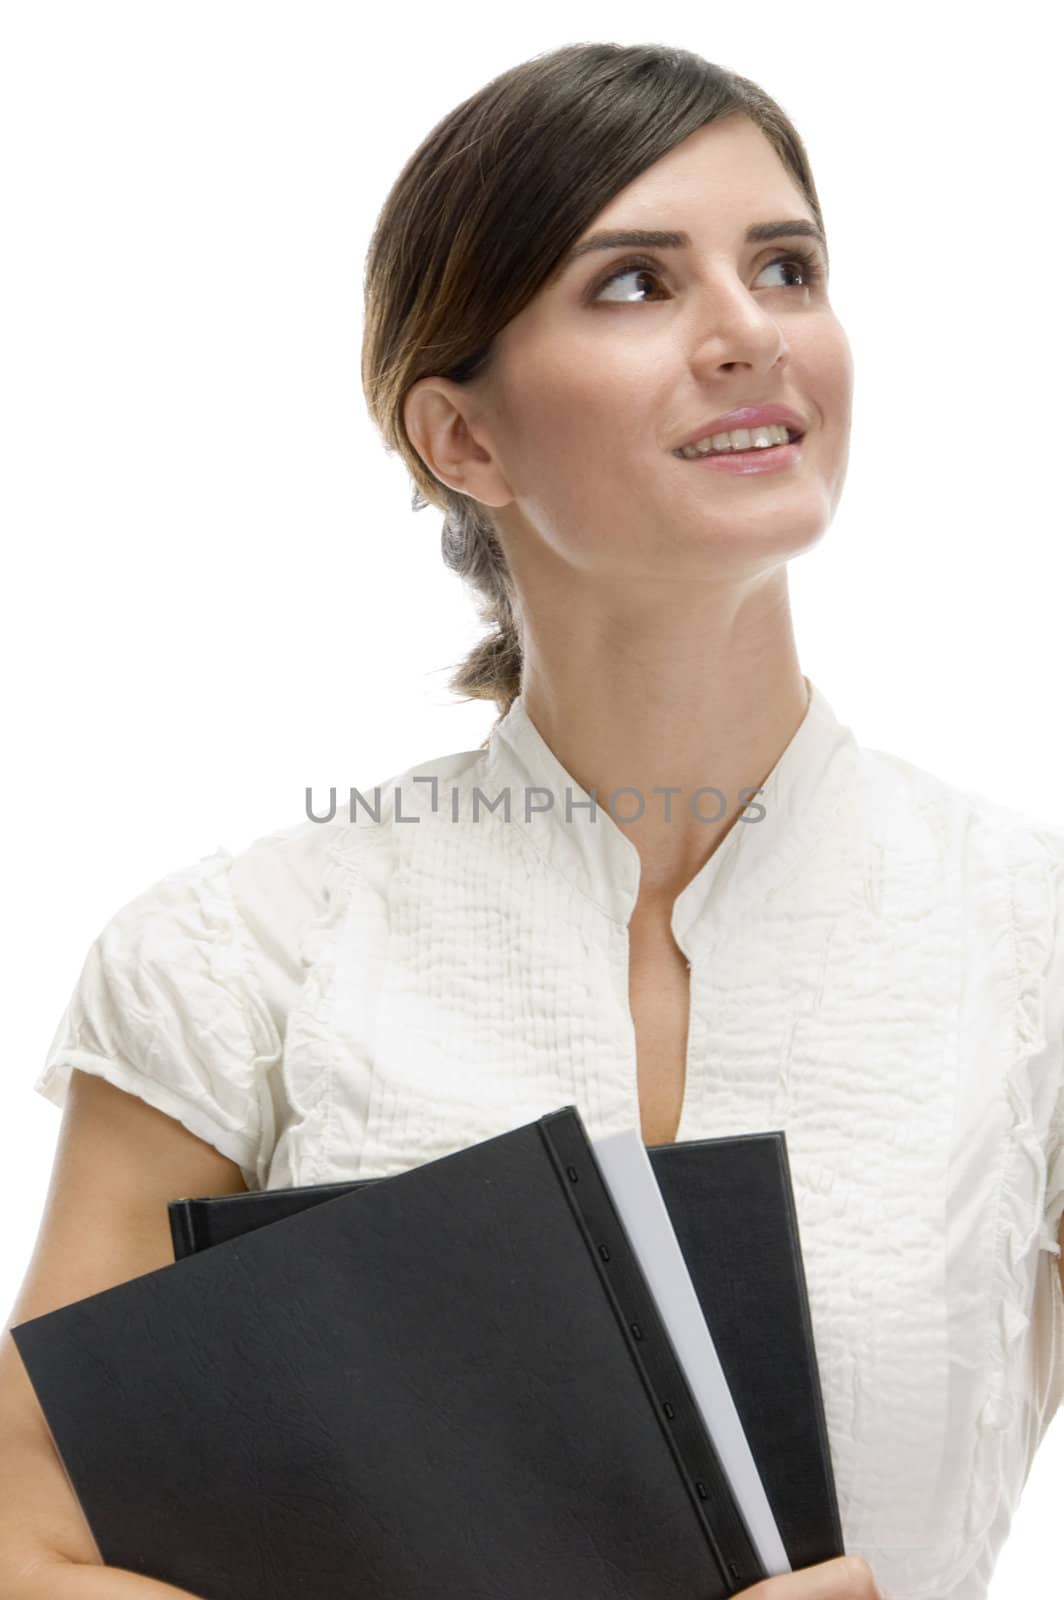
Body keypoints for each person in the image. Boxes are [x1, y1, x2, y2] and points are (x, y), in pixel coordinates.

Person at [1, 38, 1060, 1600]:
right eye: (635, 284)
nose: (747, 333)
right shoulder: (241, 957)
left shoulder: (1028, 944)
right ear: (462, 439)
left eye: (786, 267)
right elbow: (25, 1543)